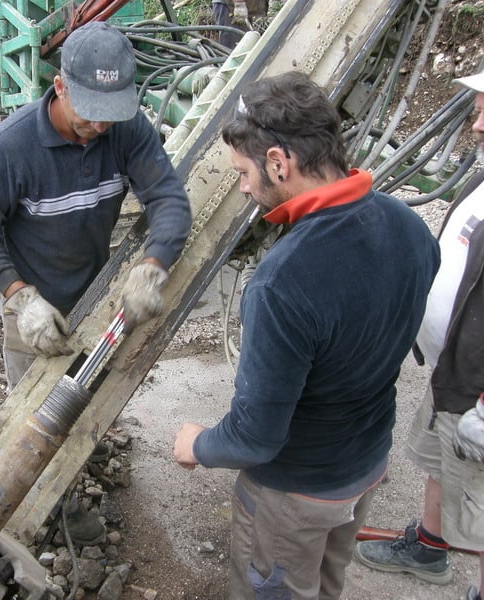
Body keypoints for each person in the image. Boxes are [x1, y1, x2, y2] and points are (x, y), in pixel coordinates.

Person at [172, 70, 440, 599]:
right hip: (363, 470)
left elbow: (255, 437)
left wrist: (197, 445)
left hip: (294, 494)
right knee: (324, 584)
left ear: (279, 161)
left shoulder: (281, 283)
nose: (244, 187)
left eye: (245, 173)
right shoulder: (407, 224)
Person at [0, 21, 192, 544]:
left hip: (96, 294)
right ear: (60, 87)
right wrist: (20, 298)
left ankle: (81, 458)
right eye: (91, 114)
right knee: (34, 416)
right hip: (33, 304)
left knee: (85, 396)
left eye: (113, 115)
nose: (102, 128)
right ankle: (47, 512)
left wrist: (154, 263)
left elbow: (169, 199)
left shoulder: (126, 128)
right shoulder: (11, 147)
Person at [353, 69, 484, 600]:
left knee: (479, 502)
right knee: (443, 463)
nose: (476, 123)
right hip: (454, 372)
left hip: (477, 390)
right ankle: (430, 547)